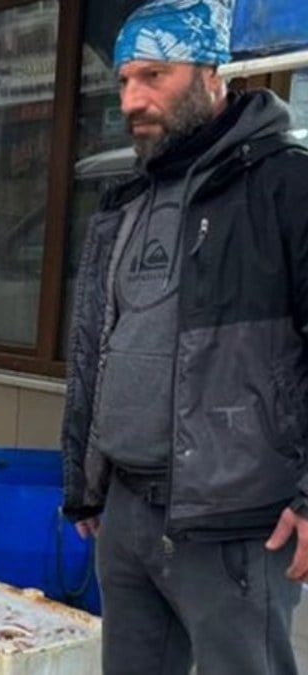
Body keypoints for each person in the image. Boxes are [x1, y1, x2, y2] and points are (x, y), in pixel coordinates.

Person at [62, 2, 308, 673]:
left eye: (154, 76)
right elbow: (96, 349)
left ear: (208, 73)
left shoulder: (285, 184)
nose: (133, 100)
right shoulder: (125, 203)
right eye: (123, 81)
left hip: (235, 522)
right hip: (127, 513)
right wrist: (86, 481)